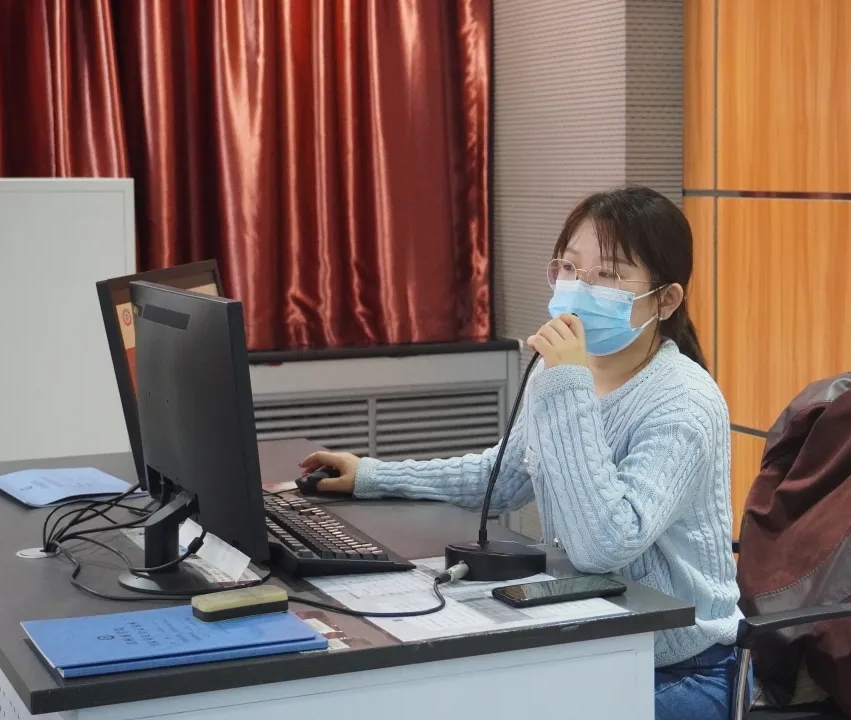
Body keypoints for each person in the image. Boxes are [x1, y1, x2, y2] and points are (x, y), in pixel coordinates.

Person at [302, 186, 744, 719]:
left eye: (608, 274)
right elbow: (502, 476)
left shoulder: (684, 401)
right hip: (591, 639)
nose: (581, 288)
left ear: (666, 300)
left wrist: (569, 385)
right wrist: (373, 476)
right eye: (570, 268)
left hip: (682, 666)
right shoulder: (562, 374)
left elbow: (603, 545)